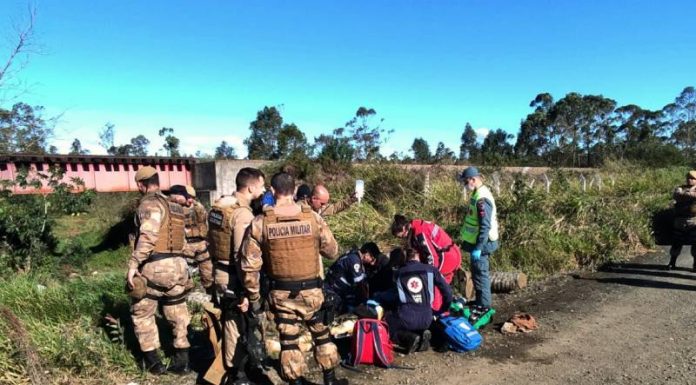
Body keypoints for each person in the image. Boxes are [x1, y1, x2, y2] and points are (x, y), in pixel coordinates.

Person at [240, 172, 347, 385]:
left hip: (281, 294)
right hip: (312, 292)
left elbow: (249, 267)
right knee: (322, 335)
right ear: (295, 190)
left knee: (289, 342)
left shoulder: (261, 222)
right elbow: (332, 251)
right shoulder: (313, 218)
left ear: (272, 190)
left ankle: (295, 382)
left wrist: (254, 298)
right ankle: (330, 379)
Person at [126, 166, 192, 375]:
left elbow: (148, 236)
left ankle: (154, 363)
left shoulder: (150, 204)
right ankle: (182, 361)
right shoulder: (175, 206)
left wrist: (134, 264)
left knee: (142, 312)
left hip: (155, 266)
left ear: (140, 184)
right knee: (177, 312)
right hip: (179, 266)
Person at [207, 168, 266, 385]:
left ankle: (236, 368)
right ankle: (236, 374)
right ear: (251, 187)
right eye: (261, 185)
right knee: (238, 323)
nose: (263, 190)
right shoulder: (242, 214)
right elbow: (241, 256)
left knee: (231, 320)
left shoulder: (220, 206)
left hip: (219, 272)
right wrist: (245, 291)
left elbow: (211, 242)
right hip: (234, 277)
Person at [375, 248, 453, 354]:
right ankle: (424, 334)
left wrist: (378, 296)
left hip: (405, 316)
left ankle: (409, 338)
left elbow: (393, 295)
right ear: (418, 256)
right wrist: (443, 309)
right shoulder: (431, 270)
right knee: (423, 322)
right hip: (427, 317)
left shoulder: (398, 273)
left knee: (387, 325)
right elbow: (448, 292)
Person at [390, 214, 462, 312]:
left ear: (404, 228)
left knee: (434, 287)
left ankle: (434, 313)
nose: (403, 238)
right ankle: (444, 310)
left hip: (447, 258)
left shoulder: (420, 233)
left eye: (402, 236)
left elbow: (432, 257)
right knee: (444, 289)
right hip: (453, 254)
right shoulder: (416, 224)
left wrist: (428, 276)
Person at [458, 166, 499, 325]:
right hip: (476, 244)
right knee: (477, 274)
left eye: (466, 181)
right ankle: (480, 303)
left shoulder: (482, 198)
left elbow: (485, 226)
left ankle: (485, 308)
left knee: (481, 275)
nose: (465, 184)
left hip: (482, 244)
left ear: (473, 179)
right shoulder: (477, 193)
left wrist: (478, 248)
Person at [173, 185, 213, 293]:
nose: (190, 200)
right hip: (186, 245)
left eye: (192, 197)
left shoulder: (199, 207)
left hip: (202, 244)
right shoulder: (177, 209)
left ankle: (211, 296)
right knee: (185, 274)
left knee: (208, 273)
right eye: (188, 197)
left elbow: (206, 224)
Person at [324, 243, 380, 315]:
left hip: (338, 290)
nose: (372, 263)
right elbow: (360, 285)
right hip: (333, 292)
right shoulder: (354, 260)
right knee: (353, 311)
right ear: (367, 254)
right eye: (372, 258)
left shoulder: (353, 255)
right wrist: (365, 303)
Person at [667, 170, 696, 270]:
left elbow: (682, 196)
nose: (689, 180)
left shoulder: (682, 190)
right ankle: (672, 262)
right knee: (676, 242)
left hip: (693, 220)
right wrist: (689, 194)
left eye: (692, 178)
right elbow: (676, 195)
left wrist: (685, 194)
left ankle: (695, 264)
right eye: (688, 178)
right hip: (680, 220)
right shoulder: (680, 188)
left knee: (695, 243)